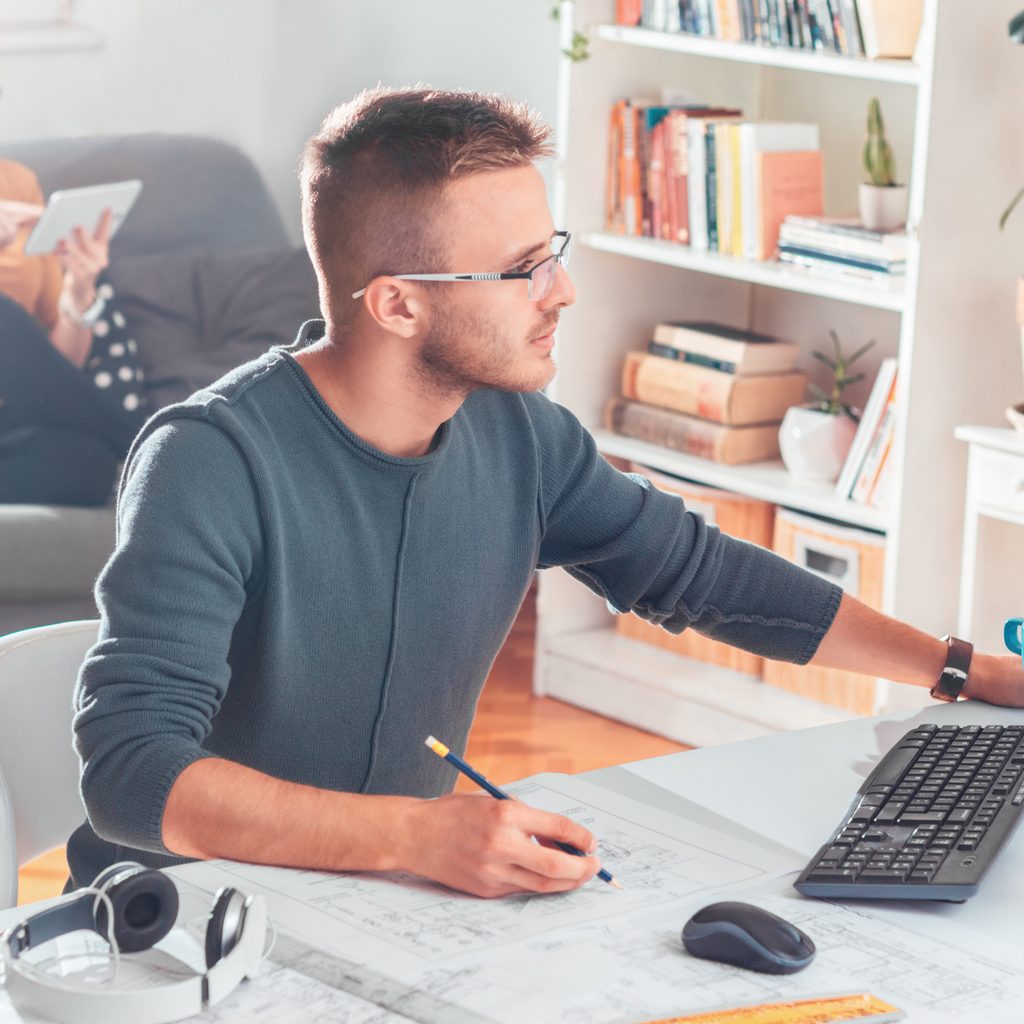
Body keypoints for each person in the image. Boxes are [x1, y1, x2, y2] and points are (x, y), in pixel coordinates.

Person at [69, 88, 1024, 898]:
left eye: (551, 252)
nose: (561, 292)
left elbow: (700, 574)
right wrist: (415, 836)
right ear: (398, 303)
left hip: (381, 900)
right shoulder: (209, 461)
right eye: (524, 270)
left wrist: (962, 669)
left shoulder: (516, 431)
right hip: (177, 923)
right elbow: (133, 775)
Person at [0, 160, 148, 506]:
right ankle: (150, 445)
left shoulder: (17, 181)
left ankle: (141, 449)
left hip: (10, 422)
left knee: (87, 462)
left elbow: (57, 370)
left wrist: (81, 288)